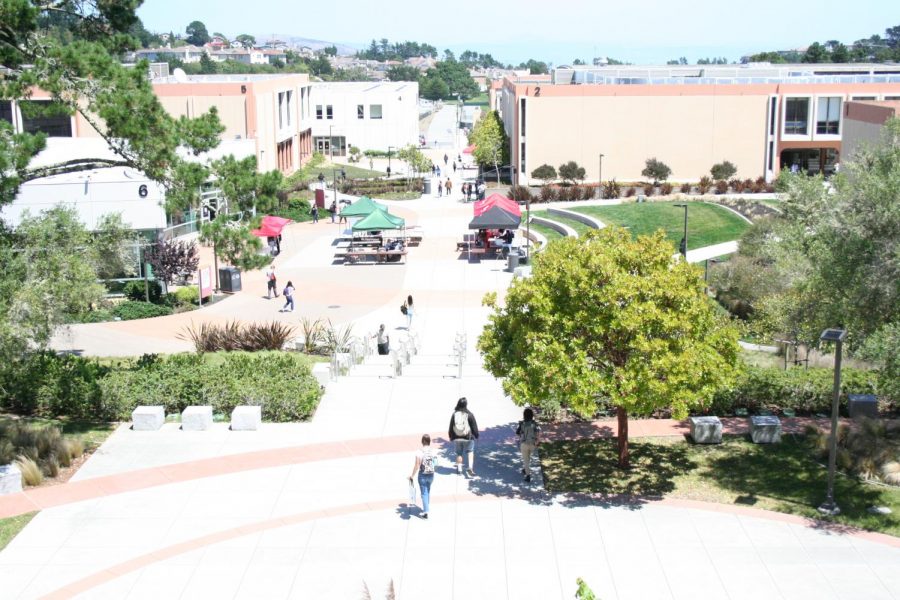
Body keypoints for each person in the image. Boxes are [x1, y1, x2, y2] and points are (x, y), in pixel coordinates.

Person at [448, 397, 479, 476]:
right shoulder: (469, 414)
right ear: (466, 404)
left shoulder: (454, 414)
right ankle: (470, 468)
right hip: (468, 437)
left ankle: (459, 469)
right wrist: (476, 435)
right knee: (470, 452)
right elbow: (474, 426)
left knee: (459, 453)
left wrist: (451, 436)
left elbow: (451, 426)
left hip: (457, 437)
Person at [408, 434, 436, 519]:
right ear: (429, 441)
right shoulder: (433, 451)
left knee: (424, 493)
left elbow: (417, 465)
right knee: (427, 491)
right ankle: (426, 506)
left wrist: (412, 475)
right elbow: (436, 463)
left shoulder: (419, 452)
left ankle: (426, 512)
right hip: (431, 474)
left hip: (423, 475)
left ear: (422, 441)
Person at [516, 408, 541, 483]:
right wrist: (537, 441)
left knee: (525, 460)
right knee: (528, 457)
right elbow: (538, 432)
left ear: (524, 415)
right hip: (533, 444)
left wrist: (521, 435)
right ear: (532, 415)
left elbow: (517, 432)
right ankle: (525, 469)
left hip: (524, 444)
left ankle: (528, 475)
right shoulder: (535, 424)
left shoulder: (522, 423)